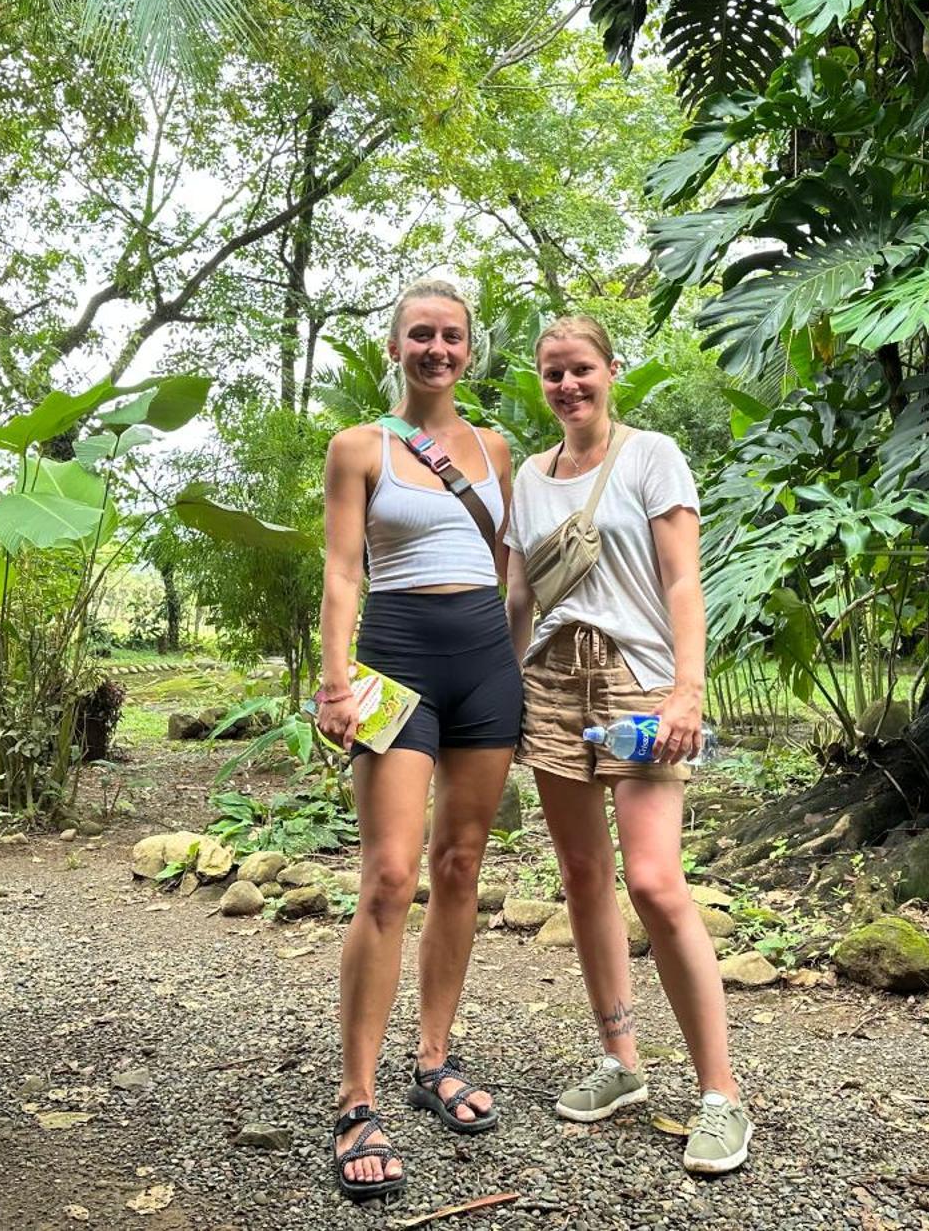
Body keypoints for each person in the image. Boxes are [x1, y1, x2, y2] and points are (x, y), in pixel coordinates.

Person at [504, 315, 751, 1176]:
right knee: (581, 878)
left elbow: (684, 578)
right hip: (551, 685)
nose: (568, 385)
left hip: (637, 684)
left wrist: (690, 690)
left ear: (611, 370)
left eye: (581, 370)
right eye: (552, 374)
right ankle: (623, 1062)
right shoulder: (528, 480)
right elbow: (519, 599)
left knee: (653, 878)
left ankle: (720, 1092)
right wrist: (506, 698)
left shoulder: (652, 455)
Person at [316, 279, 522, 1202]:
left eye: (451, 337)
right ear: (394, 347)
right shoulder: (360, 446)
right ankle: (356, 1098)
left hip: (484, 665)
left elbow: (511, 567)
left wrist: (515, 665)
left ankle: (433, 1057)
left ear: (468, 352)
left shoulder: (499, 450)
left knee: (464, 862)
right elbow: (342, 569)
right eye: (420, 336)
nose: (437, 349)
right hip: (395, 665)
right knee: (391, 875)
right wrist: (334, 680)